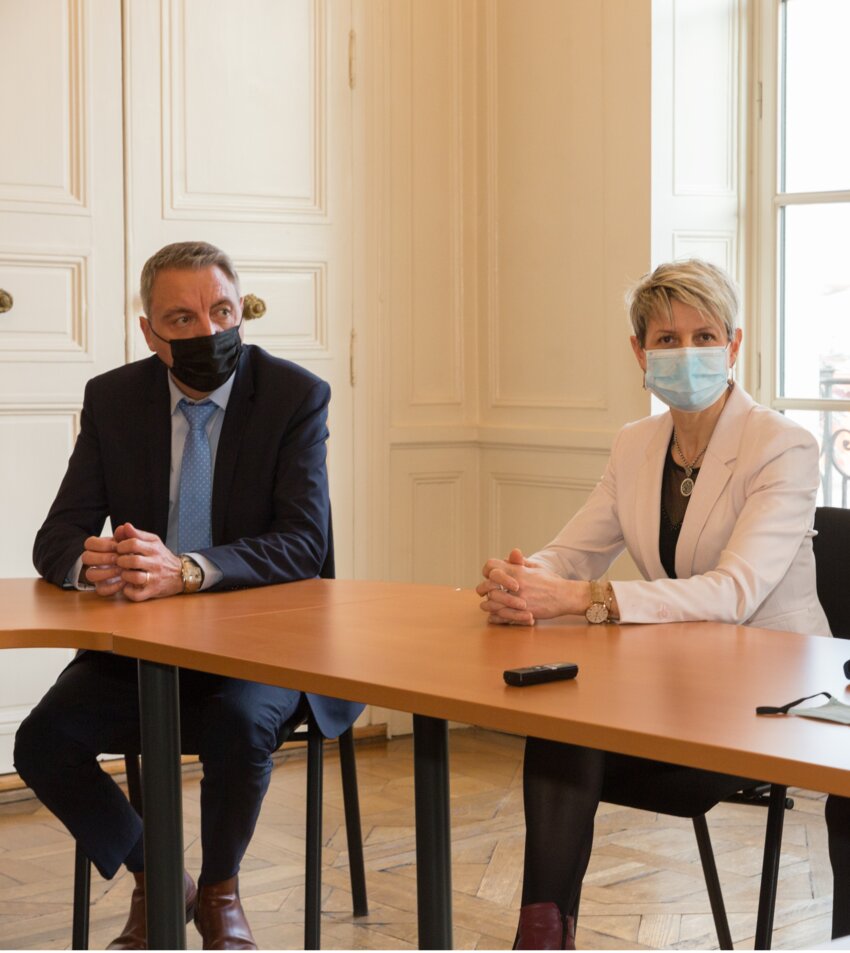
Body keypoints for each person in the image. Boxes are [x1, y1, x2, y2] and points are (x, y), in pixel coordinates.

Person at [476, 259, 849, 949]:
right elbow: (574, 551)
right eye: (666, 338)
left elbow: (735, 592)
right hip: (675, 688)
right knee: (563, 722)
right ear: (639, 352)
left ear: (733, 345)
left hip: (776, 697)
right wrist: (522, 577)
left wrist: (584, 600)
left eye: (703, 334)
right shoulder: (635, 444)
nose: (685, 352)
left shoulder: (782, 446)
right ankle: (542, 931)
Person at [13, 241, 363, 951]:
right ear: (149, 331)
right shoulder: (114, 399)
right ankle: (160, 878)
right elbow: (56, 536)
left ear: (241, 311)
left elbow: (304, 543)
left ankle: (221, 889)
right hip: (145, 650)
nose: (209, 332)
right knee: (41, 741)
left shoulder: (295, 396)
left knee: (239, 721)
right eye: (182, 318)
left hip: (268, 644)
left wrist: (190, 569)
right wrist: (95, 562)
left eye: (223, 311)